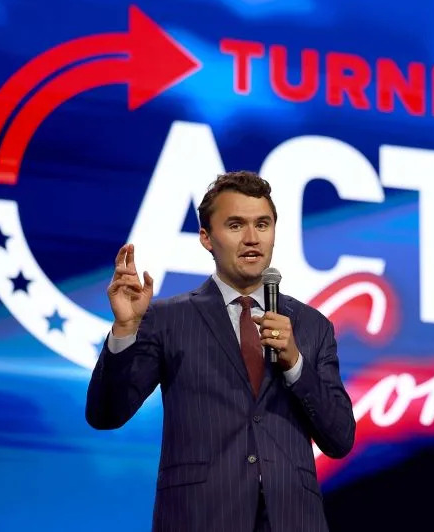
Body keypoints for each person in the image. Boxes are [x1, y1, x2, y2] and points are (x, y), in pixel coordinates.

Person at [85, 171, 355, 531]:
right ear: (206, 238)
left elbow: (340, 438)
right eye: (235, 225)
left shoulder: (311, 326)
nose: (251, 238)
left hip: (292, 519)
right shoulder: (168, 318)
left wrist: (295, 364)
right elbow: (106, 414)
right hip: (200, 517)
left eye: (262, 224)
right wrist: (125, 330)